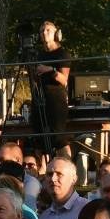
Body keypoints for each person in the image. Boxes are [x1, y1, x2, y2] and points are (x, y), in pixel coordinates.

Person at [29, 20, 70, 156]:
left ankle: (66, 167)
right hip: (39, 97)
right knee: (39, 137)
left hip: (56, 100)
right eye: (42, 31)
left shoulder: (62, 54)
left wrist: (50, 70)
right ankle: (41, 171)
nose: (44, 33)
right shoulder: (38, 55)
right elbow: (35, 79)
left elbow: (64, 80)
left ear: (56, 34)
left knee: (58, 138)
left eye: (48, 30)